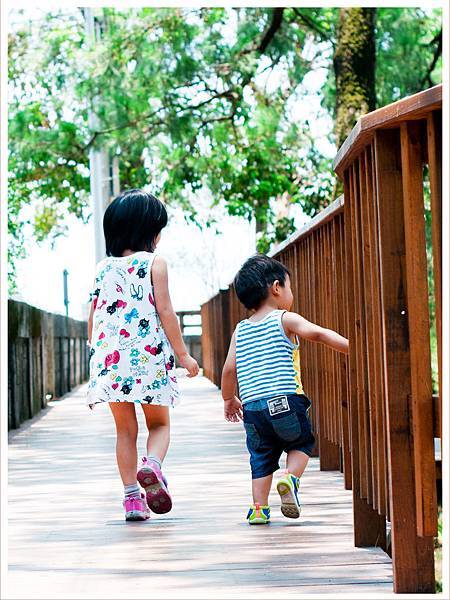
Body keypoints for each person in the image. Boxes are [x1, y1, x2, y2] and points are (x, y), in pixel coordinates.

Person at [87, 189, 199, 521]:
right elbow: (166, 312)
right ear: (149, 231)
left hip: (111, 363)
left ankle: (132, 500)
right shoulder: (155, 263)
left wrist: (96, 361)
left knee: (125, 431)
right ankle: (151, 466)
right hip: (148, 359)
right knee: (160, 424)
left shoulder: (101, 269)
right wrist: (184, 356)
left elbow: (92, 318)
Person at [221, 254, 349, 525]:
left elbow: (229, 369)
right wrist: (355, 347)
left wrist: (229, 399)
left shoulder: (240, 330)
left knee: (261, 456)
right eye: (289, 287)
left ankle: (258, 509)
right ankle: (290, 478)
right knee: (301, 442)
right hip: (285, 400)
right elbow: (319, 333)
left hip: (253, 408)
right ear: (276, 287)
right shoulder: (285, 319)